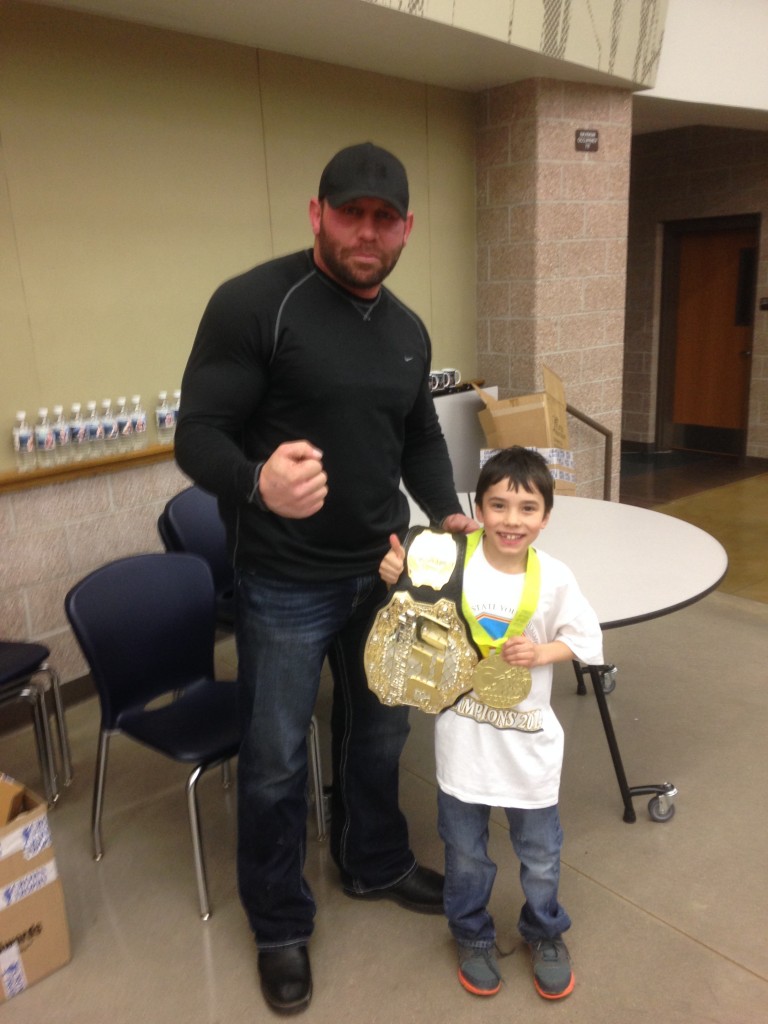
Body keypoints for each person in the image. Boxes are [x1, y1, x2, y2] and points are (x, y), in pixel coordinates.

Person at [174, 141, 477, 1015]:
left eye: (385, 218)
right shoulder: (256, 305)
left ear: (408, 228)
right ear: (317, 213)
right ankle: (279, 924)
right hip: (285, 581)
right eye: (351, 212)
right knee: (272, 763)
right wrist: (255, 480)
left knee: (379, 736)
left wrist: (448, 510)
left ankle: (373, 862)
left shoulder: (410, 330)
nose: (367, 231)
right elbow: (198, 433)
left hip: (384, 572)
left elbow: (416, 434)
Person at [379, 447, 603, 1000]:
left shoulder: (554, 577)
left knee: (541, 855)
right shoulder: (451, 560)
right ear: (476, 507)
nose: (511, 519)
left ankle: (545, 931)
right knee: (466, 855)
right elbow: (411, 617)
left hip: (529, 750)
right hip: (465, 749)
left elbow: (587, 642)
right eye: (498, 505)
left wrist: (543, 652)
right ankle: (472, 934)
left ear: (546, 516)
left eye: (527, 508)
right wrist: (393, 575)